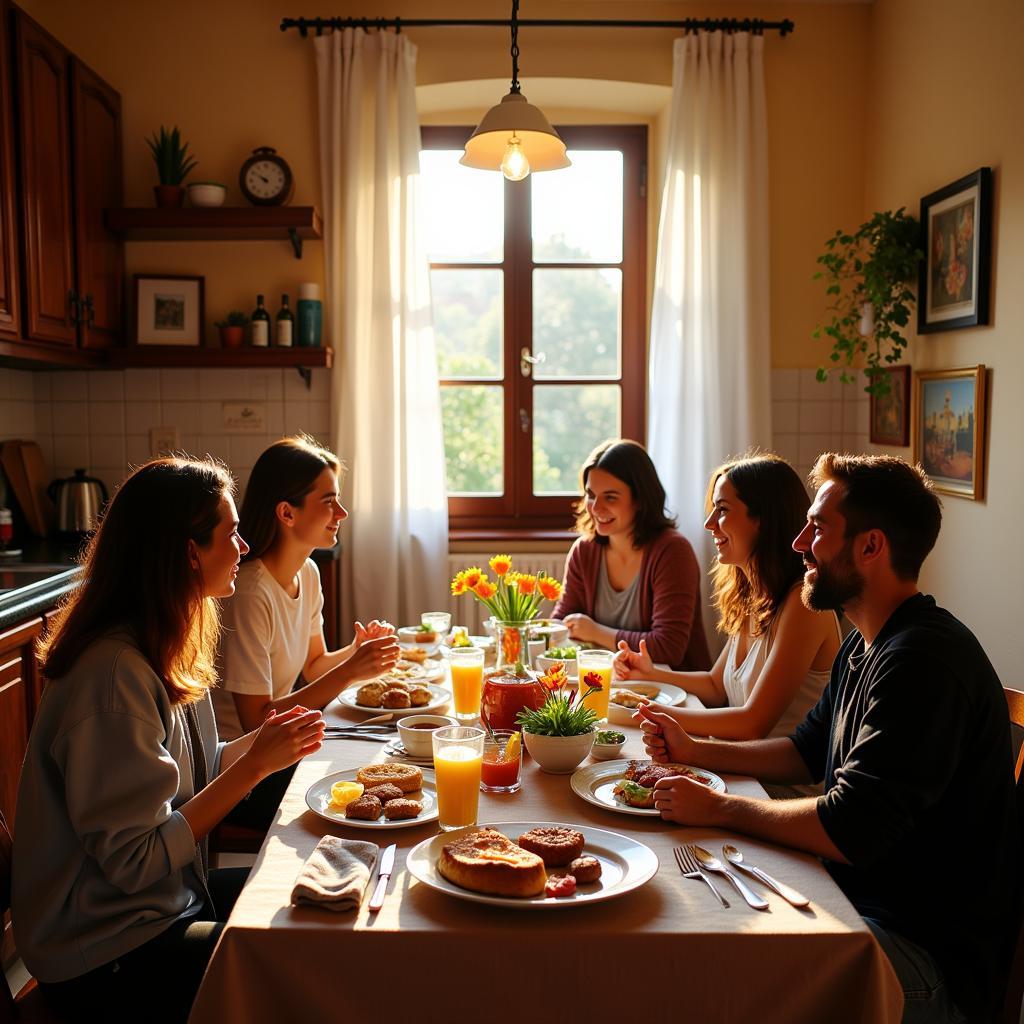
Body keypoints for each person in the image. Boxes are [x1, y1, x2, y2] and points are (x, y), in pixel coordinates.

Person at [637, 453, 1018, 1023]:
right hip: (859, 902)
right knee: (691, 917)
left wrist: (718, 806)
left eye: (817, 529)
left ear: (870, 547)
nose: (799, 544)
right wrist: (696, 752)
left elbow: (849, 827)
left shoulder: (923, 662)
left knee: (710, 973)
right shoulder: (866, 645)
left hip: (924, 960)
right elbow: (803, 752)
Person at [12, 457, 325, 1024]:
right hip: (104, 952)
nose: (244, 546)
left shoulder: (165, 638)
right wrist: (254, 768)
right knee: (300, 958)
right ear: (188, 553)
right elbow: (137, 860)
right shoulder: (112, 676)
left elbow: (196, 771)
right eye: (230, 533)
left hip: (161, 905)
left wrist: (266, 747)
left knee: (309, 898)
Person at [213, 435, 399, 829]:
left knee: (384, 761)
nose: (342, 513)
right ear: (287, 513)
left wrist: (355, 651)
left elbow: (315, 666)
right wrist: (351, 670)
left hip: (277, 747)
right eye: (329, 501)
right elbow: (256, 722)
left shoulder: (308, 573)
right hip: (237, 769)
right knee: (360, 787)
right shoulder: (250, 591)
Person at [614, 453, 841, 744]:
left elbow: (752, 724)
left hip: (771, 786)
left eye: (722, 510)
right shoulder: (752, 594)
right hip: (735, 764)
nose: (709, 523)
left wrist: (649, 710)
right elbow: (715, 685)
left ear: (763, 519)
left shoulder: (802, 605)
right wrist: (650, 672)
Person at [552, 438, 711, 671]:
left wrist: (595, 632)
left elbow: (669, 648)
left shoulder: (672, 551)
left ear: (640, 500)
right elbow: (563, 622)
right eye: (591, 495)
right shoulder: (584, 550)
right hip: (611, 684)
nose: (595, 508)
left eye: (610, 497)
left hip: (673, 691)